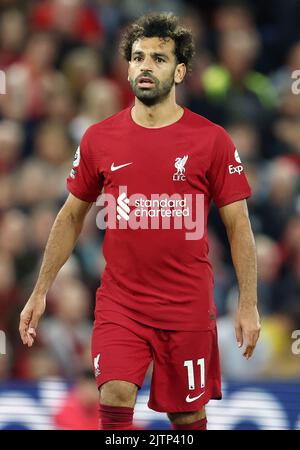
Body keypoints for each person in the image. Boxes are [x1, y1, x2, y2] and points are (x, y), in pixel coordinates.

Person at [19, 13, 260, 431]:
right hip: (121, 303)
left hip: (186, 306)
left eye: (159, 59)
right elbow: (71, 216)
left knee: (186, 416)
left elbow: (239, 226)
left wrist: (248, 303)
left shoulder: (212, 140)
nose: (146, 66)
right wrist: (41, 290)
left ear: (180, 70)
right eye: (138, 57)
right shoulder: (99, 138)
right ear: (127, 66)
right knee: (114, 393)